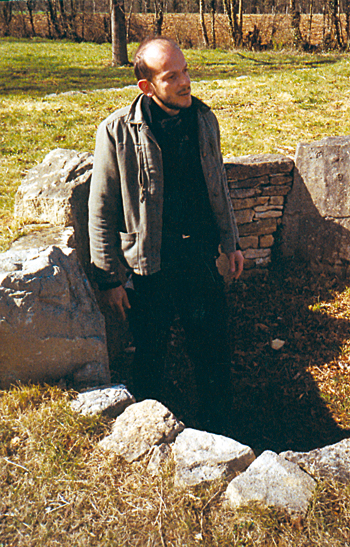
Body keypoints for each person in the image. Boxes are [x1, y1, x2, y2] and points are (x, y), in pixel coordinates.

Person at [88, 37, 244, 422]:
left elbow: (217, 186)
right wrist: (108, 278)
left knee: (213, 353)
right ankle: (146, 433)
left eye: (186, 71)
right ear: (147, 86)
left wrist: (232, 242)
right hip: (150, 265)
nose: (185, 81)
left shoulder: (204, 119)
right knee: (150, 357)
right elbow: (102, 206)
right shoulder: (117, 131)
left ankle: (222, 433)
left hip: (200, 258)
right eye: (172, 76)